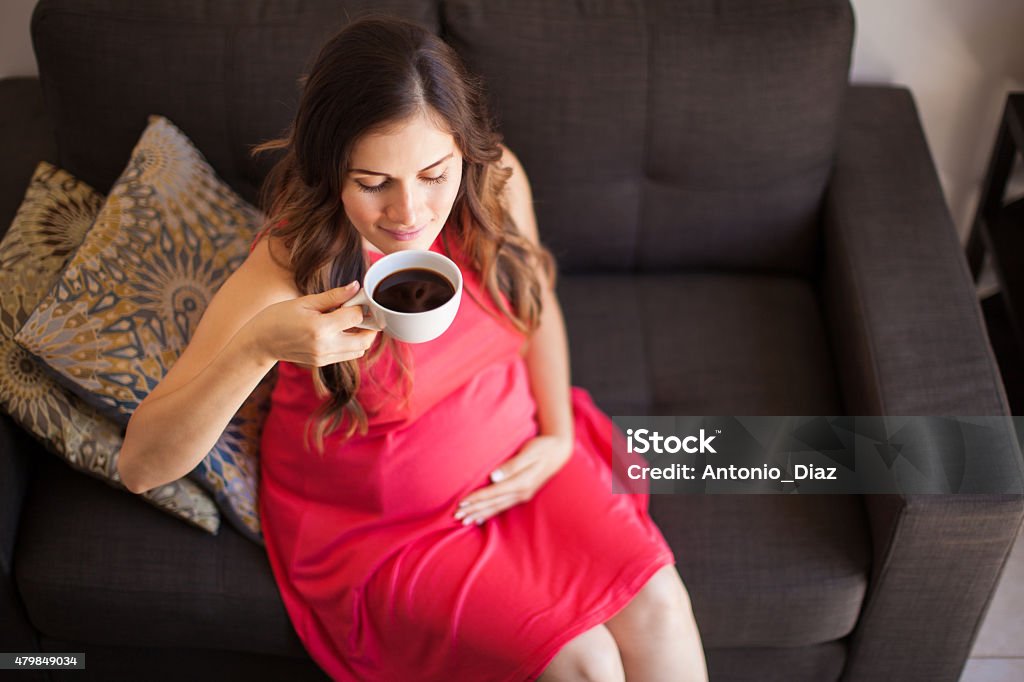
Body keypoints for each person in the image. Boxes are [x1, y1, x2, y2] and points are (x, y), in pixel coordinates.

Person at [118, 14, 708, 682]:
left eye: (434, 174)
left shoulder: (495, 183)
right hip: (381, 525)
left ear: (465, 151)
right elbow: (142, 464)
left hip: (519, 452)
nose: (409, 214)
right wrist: (257, 347)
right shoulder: (285, 264)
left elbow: (539, 307)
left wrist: (559, 435)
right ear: (328, 170)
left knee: (660, 601)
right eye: (373, 183)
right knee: (586, 663)